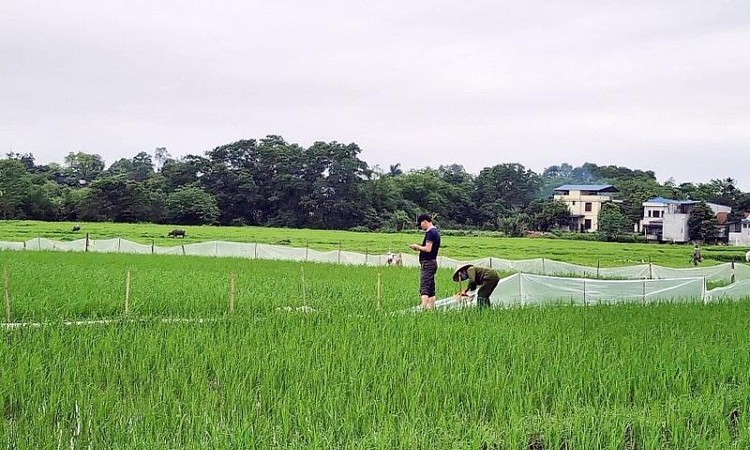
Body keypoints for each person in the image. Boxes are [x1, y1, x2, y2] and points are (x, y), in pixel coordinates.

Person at [409, 214, 441, 309]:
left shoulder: (431, 233)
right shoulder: (436, 232)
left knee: (425, 287)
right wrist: (419, 249)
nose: (420, 227)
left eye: (420, 224)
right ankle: (431, 309)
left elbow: (428, 249)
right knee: (431, 289)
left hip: (428, 263)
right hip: (432, 262)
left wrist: (417, 246)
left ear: (425, 221)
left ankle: (423, 308)